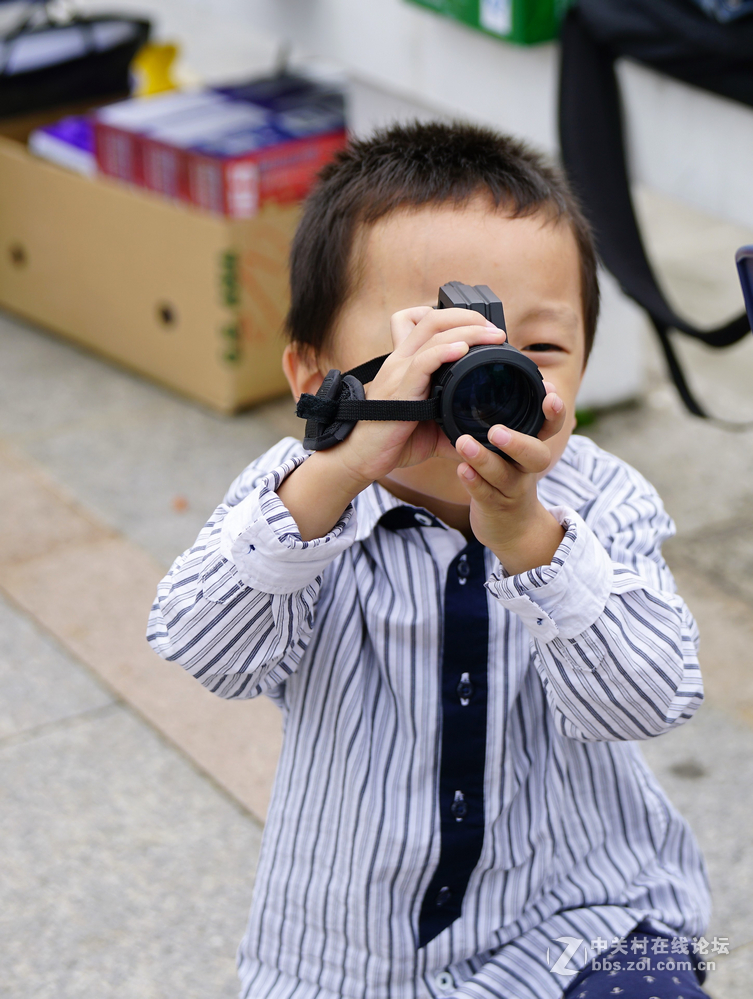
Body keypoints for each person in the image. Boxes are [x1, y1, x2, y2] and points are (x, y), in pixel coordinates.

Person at [147, 122, 711, 999]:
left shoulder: (599, 500)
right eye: (436, 351)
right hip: (349, 952)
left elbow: (650, 700)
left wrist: (532, 542)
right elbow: (201, 647)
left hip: (583, 911)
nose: (487, 380)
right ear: (314, 378)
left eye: (539, 350)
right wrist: (334, 471)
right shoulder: (298, 495)